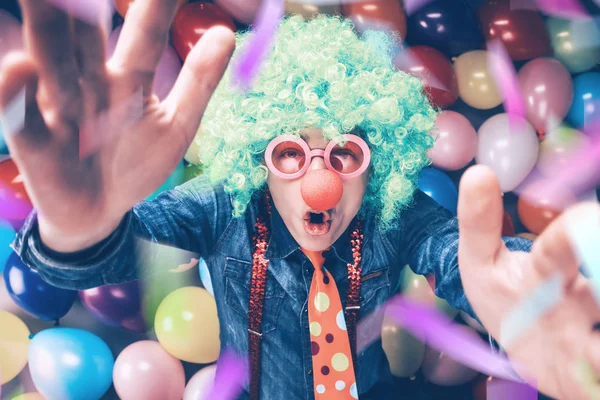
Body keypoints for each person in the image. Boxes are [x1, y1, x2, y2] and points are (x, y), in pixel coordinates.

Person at [1, 1, 599, 399]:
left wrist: (525, 304)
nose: (323, 183)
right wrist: (77, 234)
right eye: (290, 154)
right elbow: (116, 253)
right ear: (257, 158)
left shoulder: (393, 214)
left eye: (345, 155)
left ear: (378, 160)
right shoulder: (222, 205)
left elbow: (462, 257)